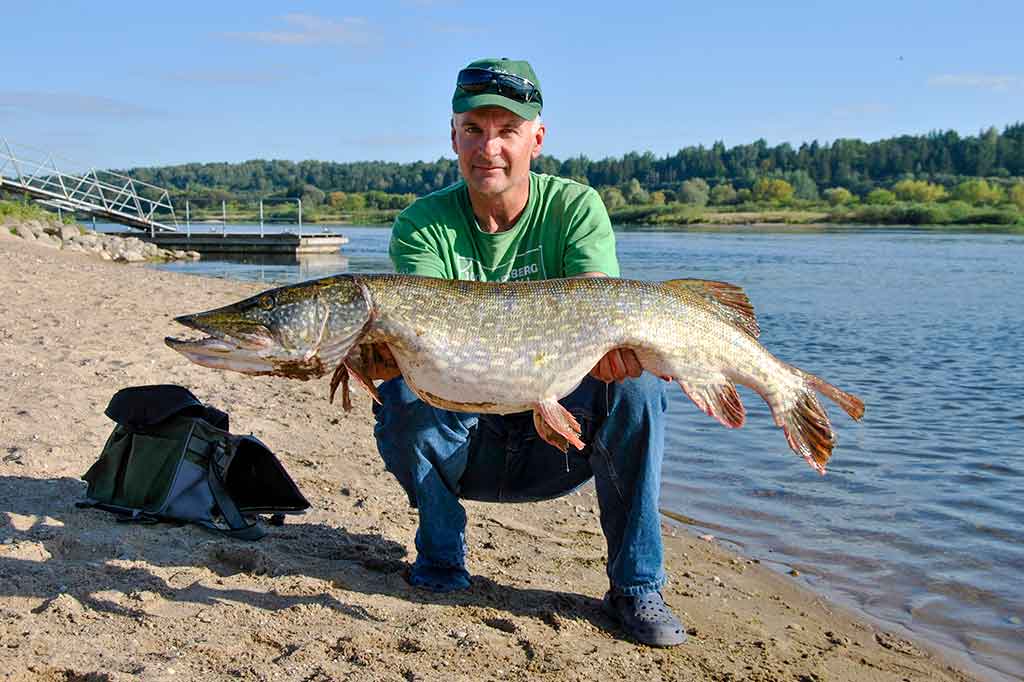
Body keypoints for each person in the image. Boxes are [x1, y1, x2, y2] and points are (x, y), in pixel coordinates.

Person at [363, 57, 686, 647]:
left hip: (558, 447)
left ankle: (636, 587)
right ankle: (440, 555)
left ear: (536, 138)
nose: (489, 148)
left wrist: (612, 356)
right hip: (470, 445)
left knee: (637, 388)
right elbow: (419, 344)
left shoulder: (575, 207)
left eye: (507, 131)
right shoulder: (421, 224)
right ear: (454, 136)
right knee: (402, 386)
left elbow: (600, 311)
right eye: (475, 130)